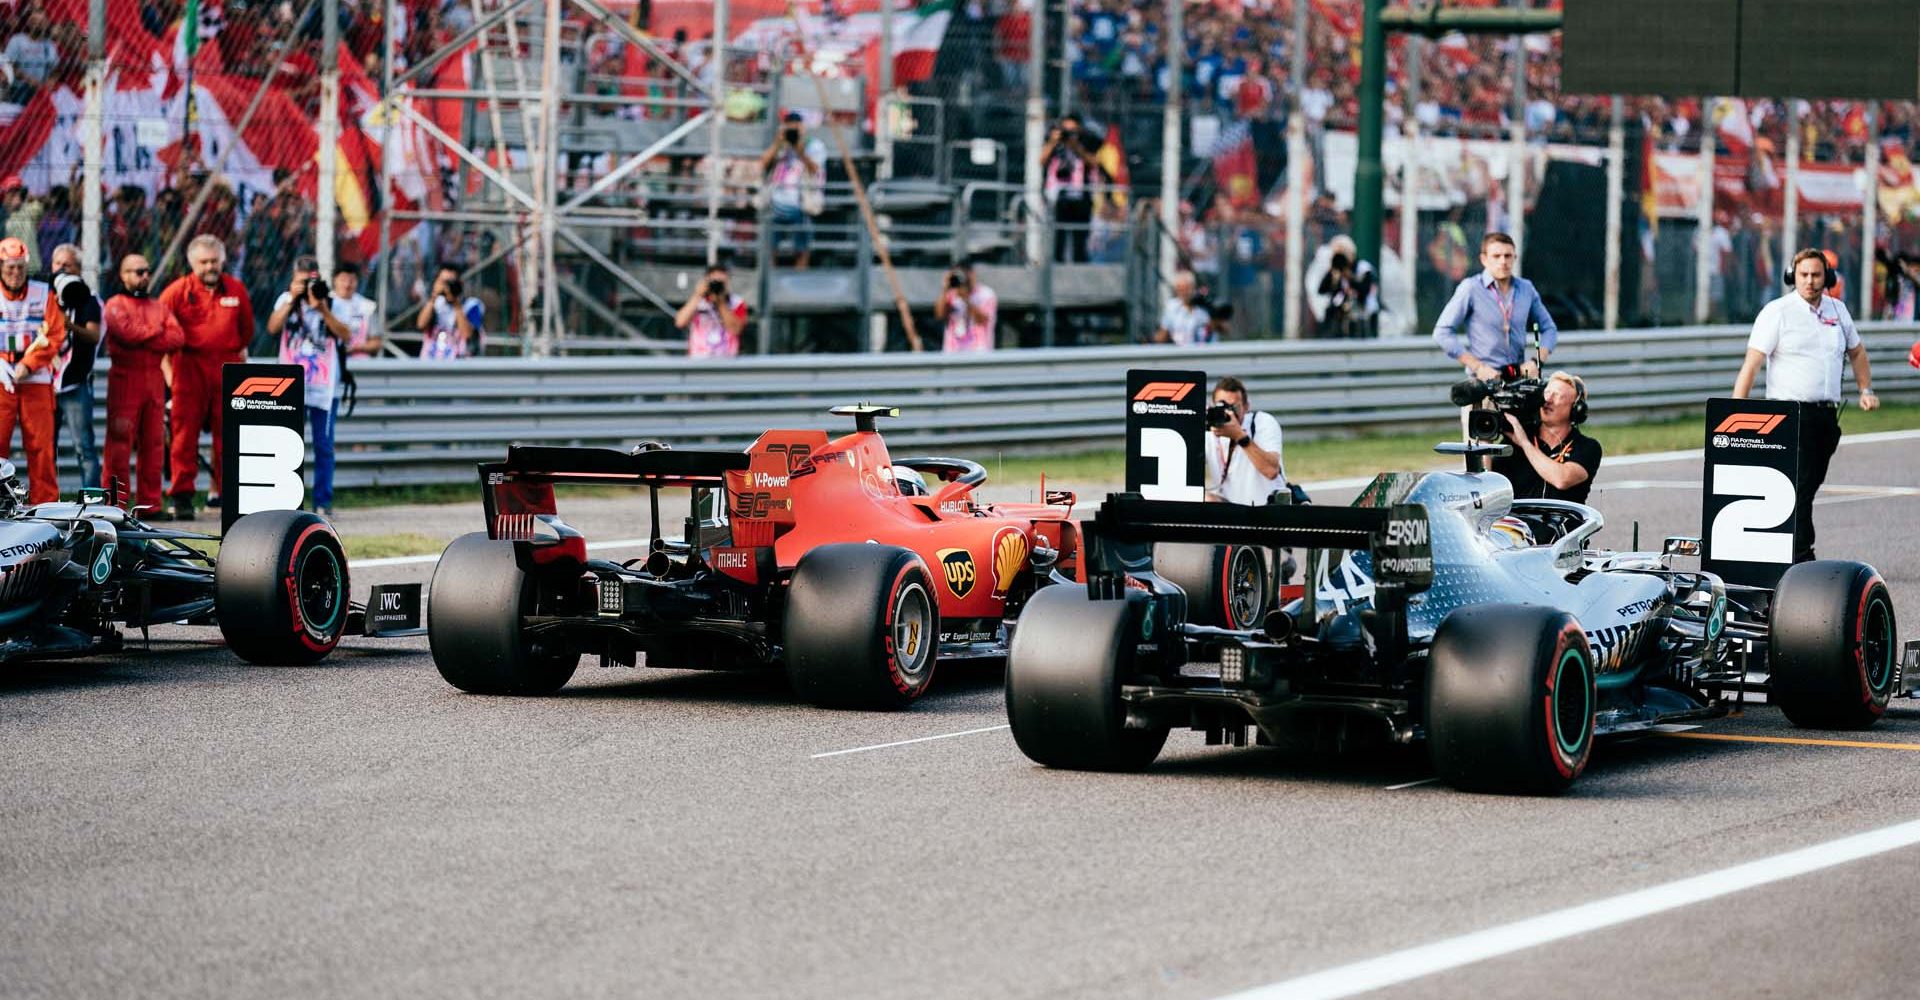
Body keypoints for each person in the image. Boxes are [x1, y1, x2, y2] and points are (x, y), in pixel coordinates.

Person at [1732, 247, 1879, 562]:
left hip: (1825, 418)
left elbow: (1857, 352)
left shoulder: (1837, 311)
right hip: (1789, 416)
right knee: (1796, 488)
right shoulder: (1777, 312)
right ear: (1792, 276)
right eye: (1804, 275)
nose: (1810, 281)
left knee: (1808, 486)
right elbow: (1752, 364)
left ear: (1828, 277)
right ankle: (1799, 554)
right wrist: (1734, 411)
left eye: (1816, 275)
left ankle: (1786, 550)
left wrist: (1866, 389)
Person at [159, 234, 254, 520]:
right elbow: (160, 329)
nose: (210, 267)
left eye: (214, 261)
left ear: (223, 260)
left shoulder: (236, 289)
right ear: (192, 263)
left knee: (229, 437)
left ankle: (228, 495)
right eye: (204, 262)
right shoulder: (176, 292)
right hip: (188, 371)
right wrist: (170, 375)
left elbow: (247, 332)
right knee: (183, 438)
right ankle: (182, 496)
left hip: (227, 370)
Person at [102, 253, 184, 518]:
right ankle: (115, 506)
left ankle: (150, 506)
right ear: (123, 275)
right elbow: (125, 333)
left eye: (147, 271)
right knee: (119, 445)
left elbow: (177, 337)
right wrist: (156, 332)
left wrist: (144, 334)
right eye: (138, 272)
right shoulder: (115, 304)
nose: (144, 276)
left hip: (153, 379)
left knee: (154, 444)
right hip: (125, 379)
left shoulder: (158, 306)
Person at [269, 256, 351, 515]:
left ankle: (323, 503)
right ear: (293, 281)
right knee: (287, 444)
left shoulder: (332, 301)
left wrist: (322, 308)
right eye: (301, 283)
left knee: (324, 445)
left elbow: (346, 335)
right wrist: (293, 300)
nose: (306, 288)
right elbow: (272, 327)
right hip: (290, 386)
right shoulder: (286, 301)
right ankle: (286, 502)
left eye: (310, 282)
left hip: (324, 388)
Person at [1433, 232, 1558, 380]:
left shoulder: (1526, 288)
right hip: (1484, 383)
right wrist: (1477, 366)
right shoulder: (1471, 288)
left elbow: (1549, 328)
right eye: (1496, 256)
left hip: (1518, 380)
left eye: (1508, 256)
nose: (1503, 261)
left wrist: (1536, 362)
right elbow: (1442, 332)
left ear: (1515, 258)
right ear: (1484, 259)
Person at [0, 236, 67, 504]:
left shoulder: (44, 293)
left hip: (35, 378)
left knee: (41, 448)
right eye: (9, 267)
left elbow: (56, 334)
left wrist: (29, 364)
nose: (15, 273)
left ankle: (46, 506)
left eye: (20, 267)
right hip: (1, 378)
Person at [1490, 371, 1602, 504]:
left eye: (1557, 396)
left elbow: (1562, 479)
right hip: (1518, 522)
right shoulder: (1514, 442)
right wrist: (1485, 442)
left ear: (1576, 408)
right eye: (1547, 393)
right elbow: (1490, 485)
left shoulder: (1587, 446)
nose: (1548, 400)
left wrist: (1525, 444)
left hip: (1563, 522)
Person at [47, 243, 102, 490]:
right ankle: (45, 500)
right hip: (45, 382)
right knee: (45, 447)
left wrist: (69, 325)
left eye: (66, 265)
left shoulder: (88, 299)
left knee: (84, 447)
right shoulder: (43, 296)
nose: (60, 270)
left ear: (78, 270)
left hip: (75, 382)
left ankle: (92, 503)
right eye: (57, 264)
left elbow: (93, 336)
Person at [1204, 375, 1287, 506]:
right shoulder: (1210, 431)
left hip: (1268, 508)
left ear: (1246, 406)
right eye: (1222, 406)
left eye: (1233, 408)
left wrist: (1240, 436)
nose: (1227, 413)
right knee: (1205, 500)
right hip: (1232, 510)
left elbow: (1271, 471)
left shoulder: (1261, 422)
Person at [760, 112, 827, 270]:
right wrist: (778, 144)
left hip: (802, 203)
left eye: (796, 126)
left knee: (801, 248)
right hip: (776, 202)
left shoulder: (815, 146)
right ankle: (770, 279)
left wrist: (798, 148)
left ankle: (800, 278)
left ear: (803, 127)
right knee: (770, 247)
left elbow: (814, 170)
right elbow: (763, 165)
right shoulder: (779, 145)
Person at [1040, 114, 1105, 263]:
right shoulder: (1054, 143)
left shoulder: (1087, 142)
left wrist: (1076, 147)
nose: (1069, 134)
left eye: (1073, 131)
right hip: (1058, 196)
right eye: (1066, 130)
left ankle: (1079, 273)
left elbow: (1094, 162)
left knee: (1079, 242)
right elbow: (1042, 160)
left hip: (1081, 197)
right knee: (1058, 239)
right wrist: (1053, 142)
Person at [1307, 234, 1379, 338]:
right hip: (1338, 318)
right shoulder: (1335, 271)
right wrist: (1332, 274)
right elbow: (1322, 290)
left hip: (1362, 318)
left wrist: (1349, 276)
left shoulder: (1363, 269)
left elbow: (1365, 292)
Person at [676, 263, 749, 358]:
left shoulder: (736, 303)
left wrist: (721, 303)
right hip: (698, 359)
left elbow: (736, 330)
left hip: (727, 361)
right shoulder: (698, 301)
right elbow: (680, 322)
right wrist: (697, 295)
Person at [415, 266, 483, 359]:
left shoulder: (471, 305)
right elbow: (421, 325)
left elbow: (467, 335)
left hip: (458, 363)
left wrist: (456, 303)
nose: (446, 287)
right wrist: (434, 296)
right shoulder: (435, 304)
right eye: (443, 282)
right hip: (431, 361)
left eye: (450, 283)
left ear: (460, 284)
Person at [935, 261, 997, 353]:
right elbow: (939, 315)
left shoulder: (986, 295)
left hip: (979, 351)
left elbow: (982, 320)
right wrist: (945, 289)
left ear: (972, 274)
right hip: (953, 351)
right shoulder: (951, 294)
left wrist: (966, 299)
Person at [330, 262, 382, 358]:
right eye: (343, 280)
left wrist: (356, 348)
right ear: (335, 280)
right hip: (330, 362)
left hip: (358, 365)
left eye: (351, 280)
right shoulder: (324, 304)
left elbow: (376, 342)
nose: (347, 285)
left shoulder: (367, 306)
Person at [1153, 270, 1211, 345]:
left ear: (1193, 288)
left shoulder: (1203, 306)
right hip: (1179, 352)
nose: (1184, 293)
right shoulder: (1171, 307)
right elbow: (1163, 333)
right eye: (1180, 290)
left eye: (1186, 289)